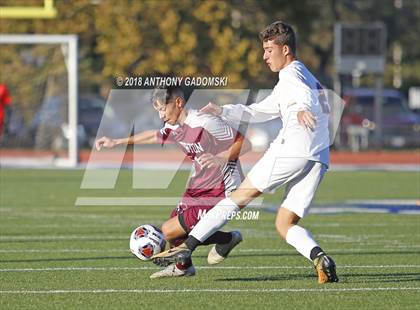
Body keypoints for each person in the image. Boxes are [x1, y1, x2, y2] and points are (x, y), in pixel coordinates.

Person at [152, 21, 339, 284]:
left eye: (268, 50)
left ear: (285, 50)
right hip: (318, 158)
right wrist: (223, 110)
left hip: (293, 150)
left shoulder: (292, 74)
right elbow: (260, 110)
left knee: (237, 198)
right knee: (285, 223)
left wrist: (301, 109)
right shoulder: (305, 75)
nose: (264, 56)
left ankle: (187, 247)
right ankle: (320, 258)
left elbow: (304, 96)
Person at [95, 85, 251, 278]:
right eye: (158, 110)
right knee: (172, 230)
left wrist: (220, 158)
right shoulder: (174, 127)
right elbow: (154, 135)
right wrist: (117, 142)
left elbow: (245, 143)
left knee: (170, 230)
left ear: (178, 102)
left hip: (223, 188)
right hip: (199, 185)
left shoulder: (204, 121)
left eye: (162, 109)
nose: (161, 115)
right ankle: (185, 266)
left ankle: (227, 239)